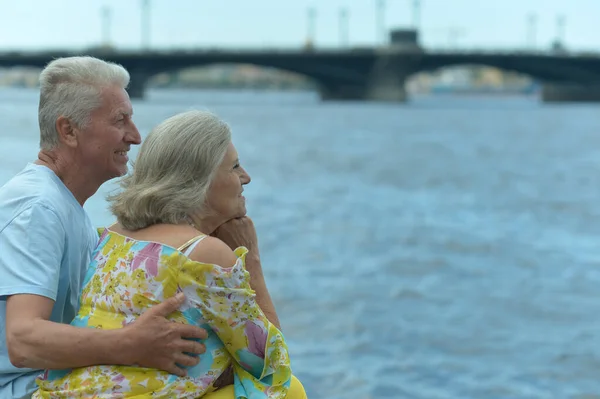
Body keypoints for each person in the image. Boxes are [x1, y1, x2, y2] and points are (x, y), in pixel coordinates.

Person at [33, 110, 307, 398]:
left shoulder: (112, 236)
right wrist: (250, 257)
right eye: (235, 166)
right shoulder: (202, 254)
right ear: (200, 179)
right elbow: (269, 362)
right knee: (292, 392)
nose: (246, 177)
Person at [0, 57, 208, 399]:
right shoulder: (38, 207)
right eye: (120, 120)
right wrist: (129, 344)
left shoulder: (66, 204)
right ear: (68, 130)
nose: (136, 136)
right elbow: (23, 339)